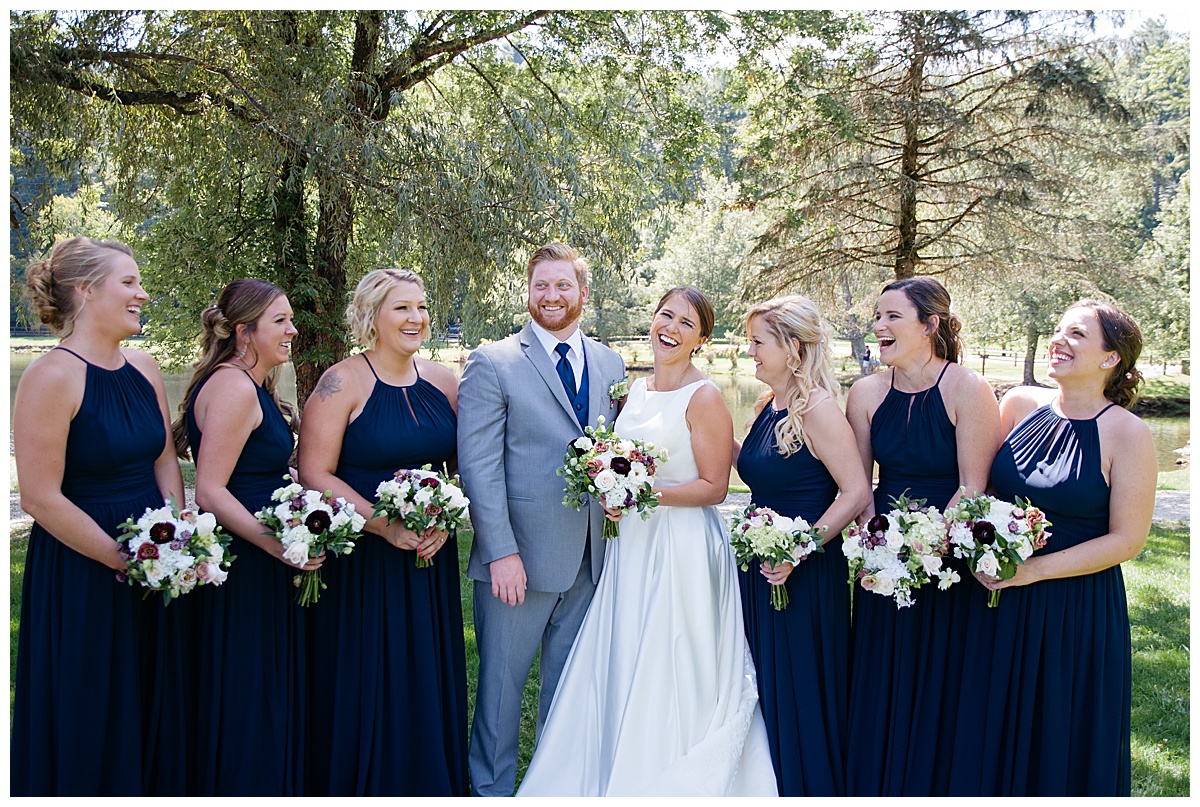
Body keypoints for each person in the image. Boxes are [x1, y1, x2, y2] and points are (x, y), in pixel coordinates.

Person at [517, 286, 777, 796]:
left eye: (686, 323)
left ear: (701, 339)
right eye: (665, 315)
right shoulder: (634, 391)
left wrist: (641, 493)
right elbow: (622, 463)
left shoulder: (704, 397)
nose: (671, 329)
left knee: (675, 656)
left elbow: (715, 486)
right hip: (632, 546)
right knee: (626, 650)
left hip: (681, 549)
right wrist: (614, 492)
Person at [952, 300, 1154, 795]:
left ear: (1111, 359)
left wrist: (1035, 571)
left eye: (1078, 334)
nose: (1058, 340)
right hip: (995, 597)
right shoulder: (1019, 405)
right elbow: (981, 492)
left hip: (1073, 608)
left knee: (1060, 728)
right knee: (988, 722)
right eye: (1058, 330)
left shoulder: (1128, 434)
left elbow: (1128, 540)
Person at [11, 238, 184, 795]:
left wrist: (178, 539)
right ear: (85, 292)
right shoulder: (52, 376)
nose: (143, 293)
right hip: (86, 566)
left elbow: (163, 456)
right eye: (129, 283)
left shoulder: (145, 368)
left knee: (154, 696)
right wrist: (126, 558)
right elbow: (40, 497)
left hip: (155, 558)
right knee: (93, 700)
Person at [458, 242, 626, 796]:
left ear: (583, 293)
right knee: (501, 698)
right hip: (518, 562)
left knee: (568, 691)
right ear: (528, 293)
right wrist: (500, 551)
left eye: (562, 285)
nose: (551, 296)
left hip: (591, 558)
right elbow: (478, 467)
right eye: (540, 286)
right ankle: (490, 791)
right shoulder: (493, 361)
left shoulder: (610, 364)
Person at [298, 269, 467, 796]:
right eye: (402, 308)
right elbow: (314, 473)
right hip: (364, 556)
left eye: (421, 306)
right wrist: (380, 524)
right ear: (371, 317)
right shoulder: (341, 381)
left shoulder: (444, 381)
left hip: (428, 552)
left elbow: (462, 467)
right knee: (369, 673)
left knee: (423, 672)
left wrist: (443, 515)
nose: (416, 317)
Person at [843, 276, 1001, 795]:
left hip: (946, 559)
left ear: (929, 326)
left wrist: (923, 547)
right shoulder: (865, 392)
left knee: (940, 676)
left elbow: (972, 486)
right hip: (882, 557)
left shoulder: (968, 389)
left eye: (893, 317)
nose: (880, 326)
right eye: (878, 316)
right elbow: (859, 484)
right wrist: (877, 547)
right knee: (882, 674)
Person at [173, 279, 320, 795]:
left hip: (259, 550)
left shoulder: (249, 384)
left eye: (290, 319)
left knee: (262, 683)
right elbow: (210, 492)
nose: (292, 330)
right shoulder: (234, 388)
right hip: (246, 560)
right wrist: (276, 543)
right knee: (250, 686)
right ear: (244, 331)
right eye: (279, 321)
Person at [734, 295, 871, 796]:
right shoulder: (768, 405)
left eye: (757, 342)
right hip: (760, 562)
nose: (749, 351)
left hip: (803, 574)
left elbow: (856, 492)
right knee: (765, 680)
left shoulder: (817, 407)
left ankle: (808, 786)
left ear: (792, 347)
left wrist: (798, 549)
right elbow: (755, 469)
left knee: (799, 686)